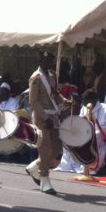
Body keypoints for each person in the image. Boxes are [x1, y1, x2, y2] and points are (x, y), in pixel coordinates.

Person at [25, 50, 70, 195]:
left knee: (56, 148)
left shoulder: (52, 75)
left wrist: (64, 101)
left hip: (54, 116)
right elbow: (33, 101)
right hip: (41, 117)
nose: (51, 62)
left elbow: (55, 94)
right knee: (44, 149)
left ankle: (34, 167)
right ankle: (44, 181)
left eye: (52, 60)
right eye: (48, 60)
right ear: (41, 61)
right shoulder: (36, 77)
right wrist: (45, 118)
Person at [58, 90, 106, 174]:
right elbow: (81, 122)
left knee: (93, 139)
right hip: (85, 131)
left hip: (98, 135)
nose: (83, 102)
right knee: (69, 136)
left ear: (93, 99)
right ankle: (69, 164)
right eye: (83, 99)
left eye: (85, 99)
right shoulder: (84, 107)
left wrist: (91, 132)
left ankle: (90, 166)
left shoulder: (105, 109)